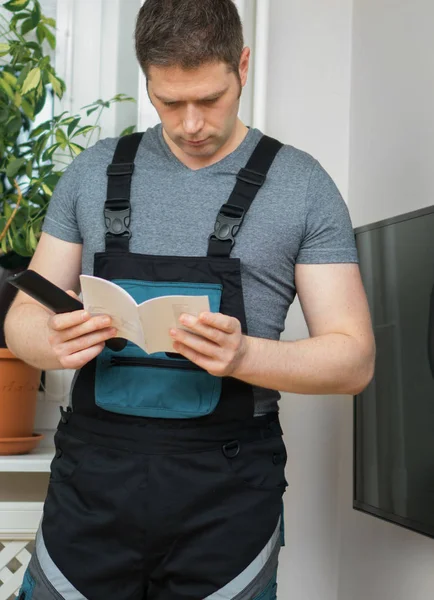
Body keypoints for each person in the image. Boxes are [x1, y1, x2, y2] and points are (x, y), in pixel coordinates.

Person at [5, 1, 375, 599]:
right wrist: (46, 341)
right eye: (169, 101)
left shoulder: (304, 185)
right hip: (91, 488)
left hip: (227, 498)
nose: (190, 124)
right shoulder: (92, 172)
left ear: (243, 66)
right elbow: (24, 315)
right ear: (146, 79)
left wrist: (244, 357)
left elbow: (353, 359)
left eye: (210, 99)